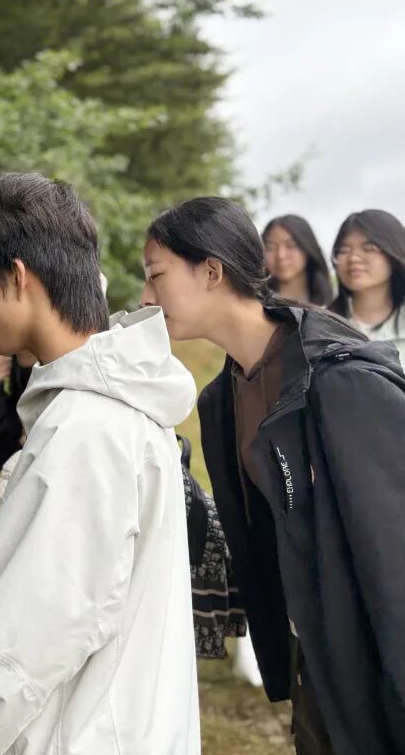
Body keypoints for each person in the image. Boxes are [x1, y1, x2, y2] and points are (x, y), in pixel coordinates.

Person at [0, 173, 200, 755]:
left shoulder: (85, 426)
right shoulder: (117, 400)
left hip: (85, 732)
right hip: (127, 719)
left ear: (17, 277)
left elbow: (39, 633)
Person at [141, 196, 405, 755]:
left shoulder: (339, 380)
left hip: (376, 666)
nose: (146, 298)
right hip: (313, 655)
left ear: (210, 271)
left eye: (155, 276)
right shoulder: (221, 400)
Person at [328, 208, 405, 358]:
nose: (353, 258)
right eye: (344, 250)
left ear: (394, 253)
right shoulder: (320, 324)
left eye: (369, 248)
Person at [262, 214, 334, 306]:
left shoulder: (331, 307)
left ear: (307, 249)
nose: (280, 255)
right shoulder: (253, 305)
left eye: (290, 245)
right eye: (271, 247)